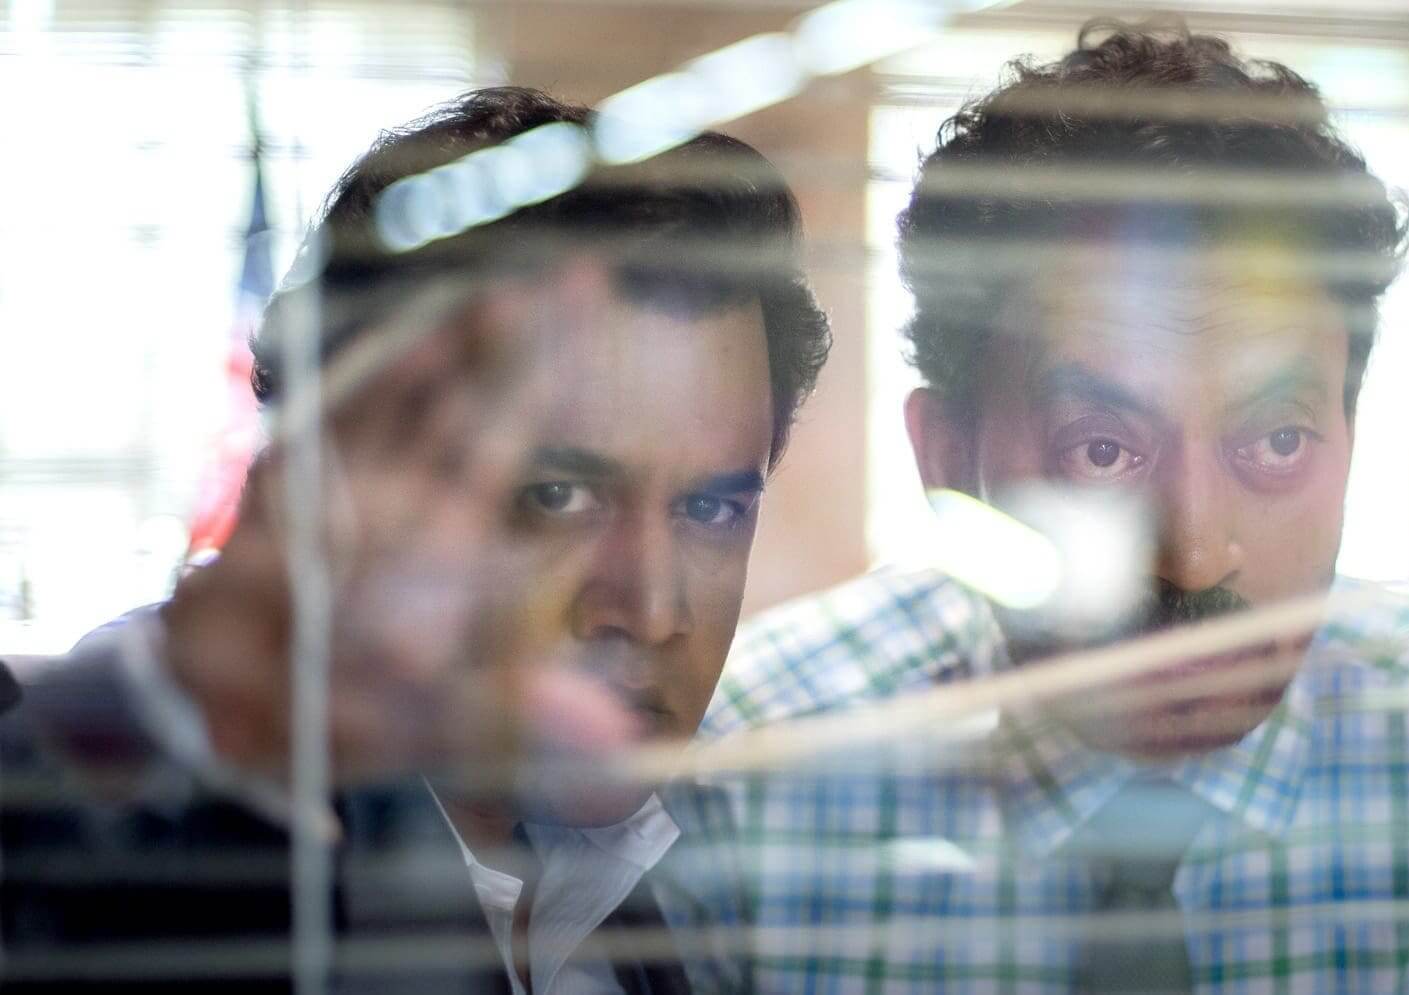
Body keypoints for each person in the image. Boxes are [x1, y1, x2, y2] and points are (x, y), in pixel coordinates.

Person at [695, 21, 1409, 993]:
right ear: (947, 461)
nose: (1197, 555)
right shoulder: (741, 782)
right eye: (1102, 450)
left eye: (1277, 441)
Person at [0, 86, 828, 993]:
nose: (653, 608)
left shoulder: (672, 888)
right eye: (557, 496)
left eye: (710, 509)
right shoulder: (173, 820)